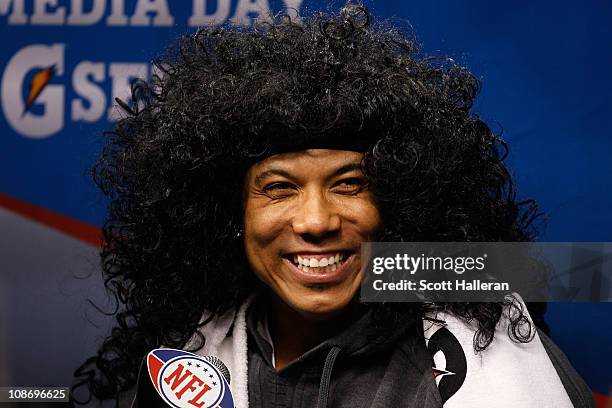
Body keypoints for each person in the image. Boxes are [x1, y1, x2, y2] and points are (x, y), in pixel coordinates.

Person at [73, 5, 595, 407]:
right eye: (278, 188)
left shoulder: (492, 357)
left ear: (401, 198)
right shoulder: (186, 359)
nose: (317, 221)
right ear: (228, 215)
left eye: (349, 184)